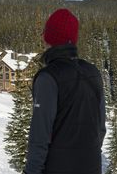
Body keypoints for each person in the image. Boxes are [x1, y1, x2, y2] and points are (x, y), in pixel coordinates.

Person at [24, 9, 106, 174]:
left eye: (45, 32)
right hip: (92, 167)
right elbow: (100, 129)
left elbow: (40, 137)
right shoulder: (93, 72)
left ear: (49, 37)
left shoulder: (48, 77)